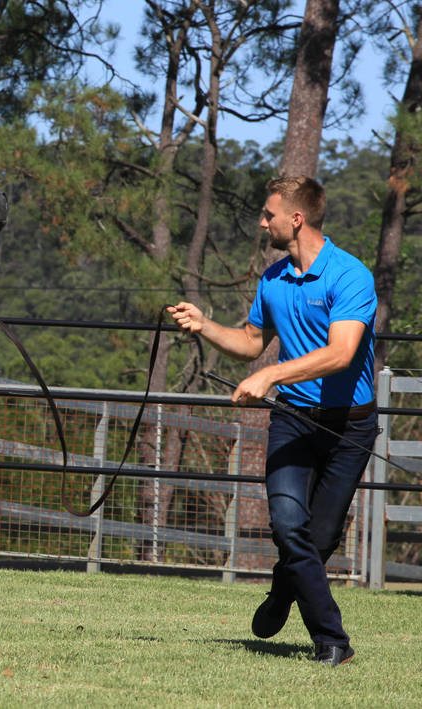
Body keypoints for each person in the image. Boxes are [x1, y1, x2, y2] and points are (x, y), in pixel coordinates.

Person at [169, 176, 378, 667]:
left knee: (319, 539)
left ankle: (283, 592)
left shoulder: (350, 276)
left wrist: (273, 375)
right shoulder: (273, 280)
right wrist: (204, 326)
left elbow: (342, 353)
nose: (262, 221)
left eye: (269, 214)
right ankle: (333, 641)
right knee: (288, 525)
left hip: (350, 429)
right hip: (293, 421)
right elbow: (248, 341)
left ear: (296, 219)